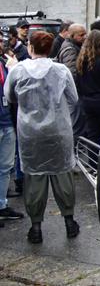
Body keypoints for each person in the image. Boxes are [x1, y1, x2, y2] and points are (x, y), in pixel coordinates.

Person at [3, 31, 80, 244]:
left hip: (30, 133)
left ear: (30, 47)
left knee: (34, 177)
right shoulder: (61, 70)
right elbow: (74, 99)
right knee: (62, 174)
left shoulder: (17, 71)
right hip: (58, 130)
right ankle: (69, 221)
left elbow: (9, 97)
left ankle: (36, 226)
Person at [0, 39, 24, 224]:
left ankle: (1, 206)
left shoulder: (3, 62)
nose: (1, 42)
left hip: (6, 120)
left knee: (5, 167)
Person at [56, 24, 87, 139]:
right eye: (81, 35)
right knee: (75, 127)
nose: (85, 37)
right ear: (72, 35)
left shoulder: (74, 46)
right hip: (74, 94)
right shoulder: (70, 50)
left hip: (75, 93)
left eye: (85, 34)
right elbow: (71, 75)